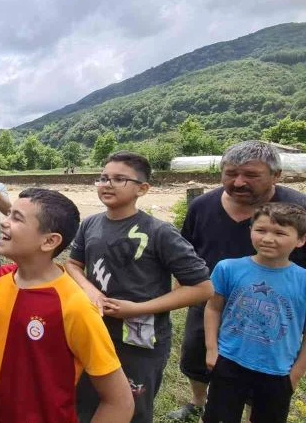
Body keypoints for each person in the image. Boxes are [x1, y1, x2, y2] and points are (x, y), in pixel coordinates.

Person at [65, 152, 213, 423]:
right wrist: (90, 290)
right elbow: (73, 264)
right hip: (95, 330)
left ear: (142, 189)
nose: (107, 184)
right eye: (103, 178)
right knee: (86, 401)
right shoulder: (90, 224)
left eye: (119, 179)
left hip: (140, 341)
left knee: (133, 408)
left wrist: (137, 308)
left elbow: (202, 288)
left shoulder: (159, 232)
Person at [0, 188, 133, 423]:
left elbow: (120, 402)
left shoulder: (76, 307)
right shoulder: (1, 278)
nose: (4, 222)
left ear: (49, 241)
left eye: (17, 218)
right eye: (9, 214)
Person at [168, 140, 306, 422]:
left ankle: (255, 409)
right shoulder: (202, 206)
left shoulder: (298, 208)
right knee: (197, 356)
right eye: (231, 173)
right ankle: (198, 401)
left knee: (262, 367)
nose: (239, 182)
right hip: (211, 298)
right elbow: (187, 249)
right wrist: (183, 287)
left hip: (272, 304)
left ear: (276, 176)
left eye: (251, 175)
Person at [201, 203, 306, 423]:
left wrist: (296, 374)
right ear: (250, 231)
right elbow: (213, 308)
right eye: (261, 230)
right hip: (229, 361)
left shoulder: (303, 281)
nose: (268, 238)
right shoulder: (228, 268)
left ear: (300, 240)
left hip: (278, 371)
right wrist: (212, 349)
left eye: (279, 233)